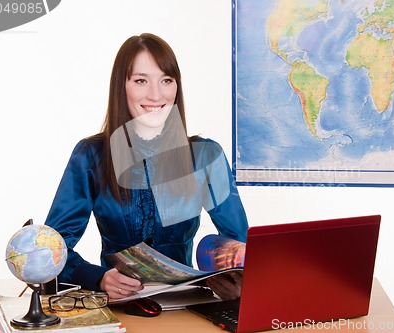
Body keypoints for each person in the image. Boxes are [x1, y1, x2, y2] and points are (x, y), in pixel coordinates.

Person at [44, 33, 248, 301]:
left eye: (166, 80)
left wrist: (237, 281)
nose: (156, 94)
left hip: (187, 307)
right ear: (122, 86)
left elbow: (240, 244)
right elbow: (53, 250)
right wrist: (98, 277)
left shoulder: (205, 156)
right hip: (120, 308)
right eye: (141, 81)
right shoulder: (90, 155)